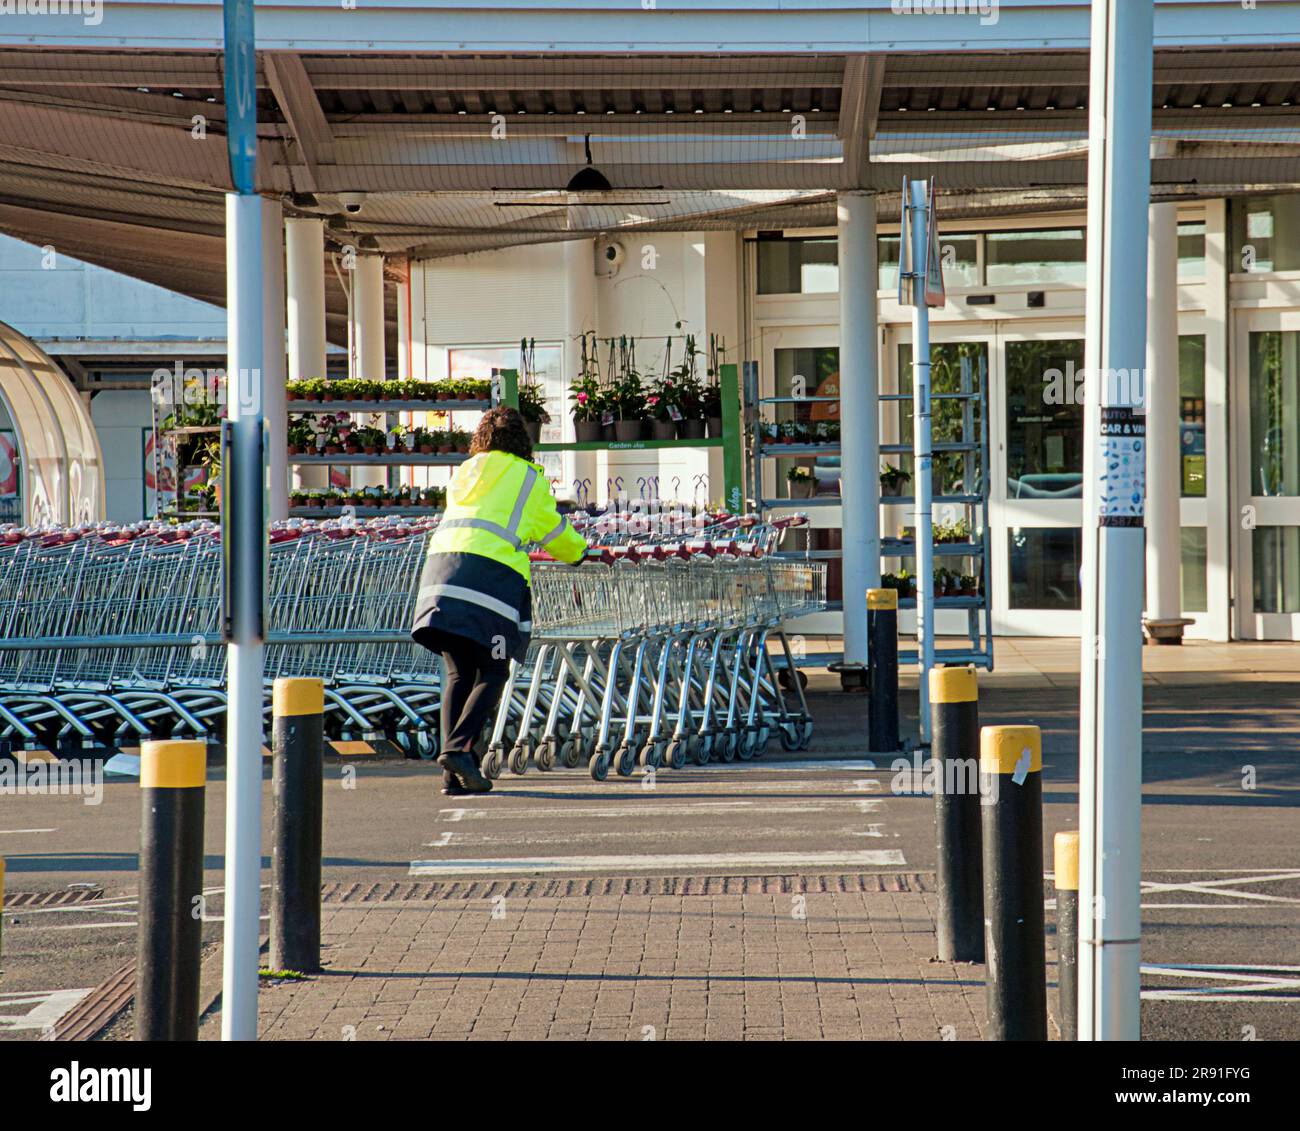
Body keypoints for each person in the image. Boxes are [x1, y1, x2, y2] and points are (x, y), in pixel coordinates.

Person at [411, 406, 587, 794]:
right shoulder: (527, 477)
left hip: (441, 574)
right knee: (494, 670)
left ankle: (453, 773)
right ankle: (458, 751)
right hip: (487, 581)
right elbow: (553, 530)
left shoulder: (466, 470)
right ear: (523, 440)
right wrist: (579, 552)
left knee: (458, 674)